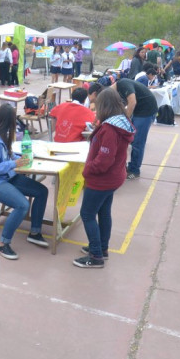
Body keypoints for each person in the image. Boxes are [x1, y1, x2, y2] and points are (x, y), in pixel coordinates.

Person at [73, 87, 133, 268]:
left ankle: (96, 255)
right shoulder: (120, 123)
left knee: (87, 213)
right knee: (103, 212)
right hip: (113, 178)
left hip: (102, 180)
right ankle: (102, 248)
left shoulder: (110, 129)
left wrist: (87, 170)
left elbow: (104, 160)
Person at [0, 104, 49, 258]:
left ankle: (35, 232)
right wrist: (14, 164)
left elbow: (8, 155)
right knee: (22, 205)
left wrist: (20, 158)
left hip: (10, 176)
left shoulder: (3, 135)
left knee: (42, 191)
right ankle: (3, 243)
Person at [114, 75, 157, 180]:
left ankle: (134, 171)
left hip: (146, 111)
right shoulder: (117, 91)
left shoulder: (122, 84)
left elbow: (132, 102)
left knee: (137, 141)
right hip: (139, 110)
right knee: (130, 139)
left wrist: (126, 120)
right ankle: (129, 166)